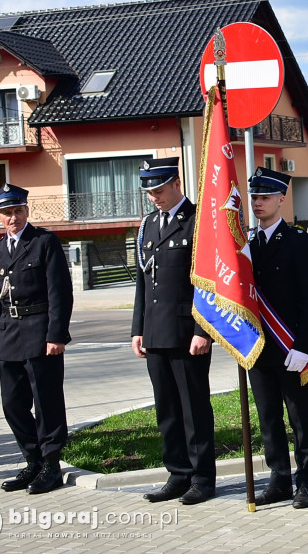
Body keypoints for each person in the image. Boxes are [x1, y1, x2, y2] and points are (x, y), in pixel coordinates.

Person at [131, 158, 215, 505]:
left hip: (186, 333)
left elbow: (207, 283)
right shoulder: (148, 225)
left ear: (176, 183)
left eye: (160, 190)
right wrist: (138, 329)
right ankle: (177, 474)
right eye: (149, 192)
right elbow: (142, 282)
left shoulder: (197, 222)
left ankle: (202, 478)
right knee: (166, 410)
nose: (154, 197)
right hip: (155, 333)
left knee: (193, 409)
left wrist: (202, 330)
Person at [0, 183, 74, 494]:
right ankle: (32, 460)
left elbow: (60, 293)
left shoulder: (44, 242)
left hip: (40, 333)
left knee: (47, 402)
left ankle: (51, 464)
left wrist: (56, 335)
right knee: (12, 403)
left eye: (19, 211)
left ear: (27, 211)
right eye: (7, 213)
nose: (14, 218)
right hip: (9, 335)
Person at [246, 167, 308, 508]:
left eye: (264, 197)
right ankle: (279, 478)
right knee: (268, 418)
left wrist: (303, 347)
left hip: (289, 347)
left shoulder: (297, 241)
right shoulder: (246, 244)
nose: (257, 203)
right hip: (257, 349)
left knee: (300, 418)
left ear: (280, 198)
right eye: (254, 197)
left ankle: (306, 480)